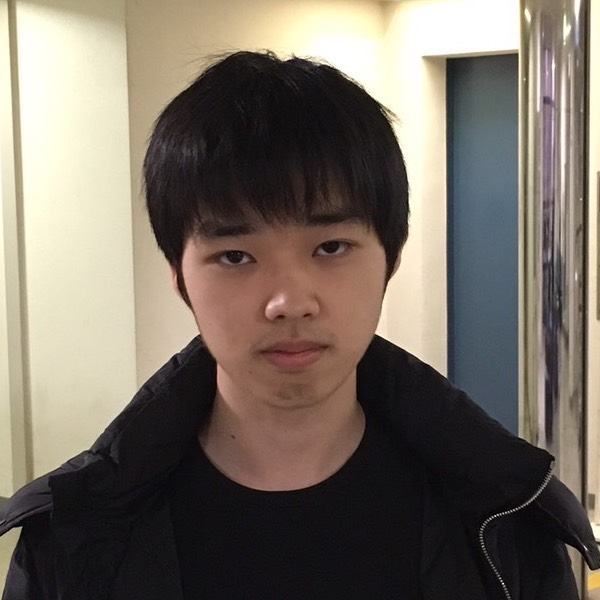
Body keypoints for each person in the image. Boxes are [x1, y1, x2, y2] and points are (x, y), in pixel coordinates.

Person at [1, 50, 598, 600]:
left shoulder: (508, 522)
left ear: (390, 258)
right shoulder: (73, 539)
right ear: (180, 277)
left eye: (331, 247)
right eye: (236, 256)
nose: (289, 302)